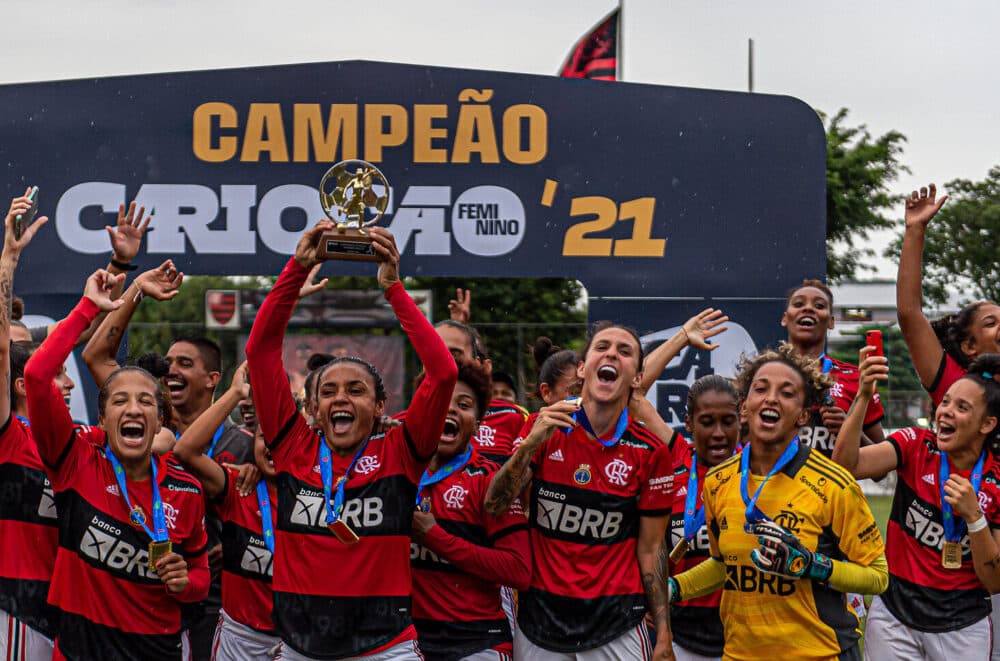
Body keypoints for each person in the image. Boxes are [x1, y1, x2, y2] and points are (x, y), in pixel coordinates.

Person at [245, 221, 457, 660]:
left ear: (381, 406)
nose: (340, 398)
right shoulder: (293, 446)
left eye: (356, 390)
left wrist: (394, 288)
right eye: (328, 392)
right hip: (300, 648)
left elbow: (443, 373)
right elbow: (261, 352)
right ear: (315, 408)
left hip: (385, 649)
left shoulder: (402, 450)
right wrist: (297, 267)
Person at [24, 269, 210, 660]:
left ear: (160, 420)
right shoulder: (76, 461)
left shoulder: (187, 490)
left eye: (146, 401)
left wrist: (185, 582)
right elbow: (38, 376)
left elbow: (200, 579)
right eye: (120, 400)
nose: (133, 408)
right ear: (103, 418)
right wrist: (88, 306)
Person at [668, 343, 888, 660]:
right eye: (761, 388)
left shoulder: (834, 484)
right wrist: (673, 589)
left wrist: (816, 567)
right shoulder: (719, 482)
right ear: (745, 407)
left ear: (802, 415)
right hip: (741, 654)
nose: (771, 398)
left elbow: (878, 576)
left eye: (787, 393)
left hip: (820, 654)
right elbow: (721, 565)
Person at [82, 273, 253, 660]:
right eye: (169, 362)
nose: (171, 370)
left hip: (220, 602)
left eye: (185, 364)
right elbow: (96, 356)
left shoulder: (243, 445)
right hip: (142, 596)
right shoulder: (143, 427)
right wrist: (137, 289)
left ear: (213, 379)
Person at [486, 321, 675, 660]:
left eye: (625, 351)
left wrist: (663, 632)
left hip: (616, 625)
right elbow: (495, 505)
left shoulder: (650, 451)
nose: (612, 354)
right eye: (602, 347)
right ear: (584, 368)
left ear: (636, 377)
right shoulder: (544, 427)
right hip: (540, 624)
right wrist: (530, 445)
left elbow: (651, 549)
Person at [834, 348, 1000, 660]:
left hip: (962, 622)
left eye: (962, 407)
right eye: (946, 401)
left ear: (987, 424)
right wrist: (863, 396)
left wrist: (974, 518)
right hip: (894, 615)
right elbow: (845, 468)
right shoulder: (917, 444)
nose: (946, 411)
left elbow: (993, 581)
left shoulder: (996, 480)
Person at [410, 359, 531, 660]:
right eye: (441, 400)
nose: (450, 409)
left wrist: (434, 536)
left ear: (477, 424)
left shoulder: (489, 480)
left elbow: (519, 570)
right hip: (405, 641)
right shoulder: (396, 469)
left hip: (477, 643)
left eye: (464, 405)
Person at [174, 363, 280, 660]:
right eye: (262, 437)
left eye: (279, 438)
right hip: (239, 637)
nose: (270, 445)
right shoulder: (239, 487)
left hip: (295, 637)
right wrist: (234, 393)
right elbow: (185, 452)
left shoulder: (317, 492)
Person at [0, 192, 59, 659]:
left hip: (60, 611)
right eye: (52, 375)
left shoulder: (73, 444)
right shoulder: (8, 436)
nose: (64, 383)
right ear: (23, 384)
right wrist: (8, 260)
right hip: (15, 609)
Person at [897, 183, 1000, 407]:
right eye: (991, 323)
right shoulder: (953, 381)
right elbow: (909, 313)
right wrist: (915, 229)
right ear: (969, 347)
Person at [667, 376, 740, 661]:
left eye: (728, 421)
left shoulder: (758, 477)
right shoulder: (671, 477)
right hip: (680, 638)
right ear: (689, 423)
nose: (719, 433)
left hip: (744, 636)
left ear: (741, 418)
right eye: (707, 422)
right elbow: (650, 551)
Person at [782, 279, 885, 452]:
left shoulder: (857, 379)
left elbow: (882, 470)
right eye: (799, 303)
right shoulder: (762, 374)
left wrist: (849, 429)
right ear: (785, 318)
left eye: (819, 306)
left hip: (834, 479)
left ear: (831, 322)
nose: (808, 308)